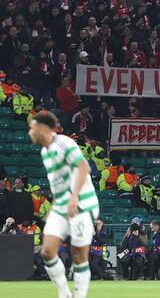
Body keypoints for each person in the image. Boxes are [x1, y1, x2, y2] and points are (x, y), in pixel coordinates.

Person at [29, 111, 99, 298]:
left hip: (82, 201)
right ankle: (64, 294)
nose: (29, 132)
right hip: (62, 204)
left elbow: (84, 167)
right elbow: (59, 184)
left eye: (32, 128)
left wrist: (74, 197)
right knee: (47, 252)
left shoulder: (64, 142)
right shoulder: (45, 151)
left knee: (78, 255)